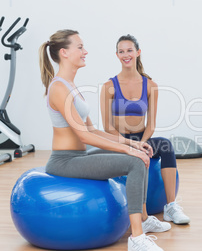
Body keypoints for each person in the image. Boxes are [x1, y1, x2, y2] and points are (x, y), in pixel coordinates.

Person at [39, 30, 165, 251]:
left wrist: (133, 144)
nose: (85, 51)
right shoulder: (59, 88)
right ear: (64, 52)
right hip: (64, 161)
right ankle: (136, 239)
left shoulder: (70, 86)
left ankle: (143, 220)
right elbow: (84, 136)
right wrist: (128, 152)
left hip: (79, 156)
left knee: (140, 154)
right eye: (80, 47)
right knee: (134, 162)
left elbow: (92, 130)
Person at [100, 34, 190, 225]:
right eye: (121, 51)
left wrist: (141, 143)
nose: (126, 55)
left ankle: (171, 206)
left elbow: (151, 125)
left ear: (138, 53)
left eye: (129, 50)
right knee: (134, 158)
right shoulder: (109, 86)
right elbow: (107, 126)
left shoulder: (150, 86)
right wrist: (129, 144)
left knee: (165, 146)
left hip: (141, 138)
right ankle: (142, 216)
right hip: (118, 140)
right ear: (117, 55)